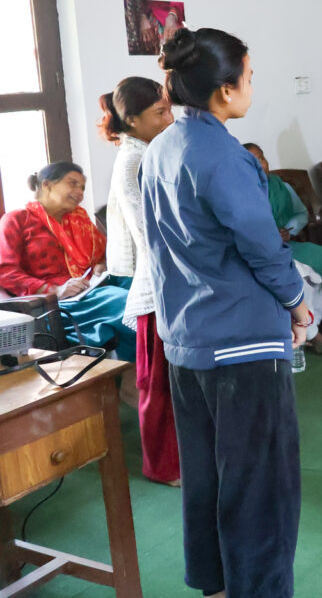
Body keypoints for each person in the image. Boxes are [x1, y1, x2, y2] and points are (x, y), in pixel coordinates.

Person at [141, 27, 310, 598]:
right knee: (261, 486)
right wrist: (294, 299)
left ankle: (215, 584)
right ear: (223, 90)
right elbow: (262, 244)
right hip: (243, 345)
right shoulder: (223, 156)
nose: (252, 85)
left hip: (187, 342)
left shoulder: (161, 147)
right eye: (250, 76)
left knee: (209, 476)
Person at [99, 76, 179, 485]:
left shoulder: (152, 149)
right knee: (157, 383)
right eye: (159, 113)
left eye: (169, 109)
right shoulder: (132, 162)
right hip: (156, 284)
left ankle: (179, 457)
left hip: (174, 279)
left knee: (173, 381)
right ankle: (163, 466)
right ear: (130, 120)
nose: (169, 119)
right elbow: (149, 233)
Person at [0, 162, 136, 364]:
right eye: (72, 183)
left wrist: (100, 265)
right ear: (47, 185)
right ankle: (139, 377)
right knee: (130, 304)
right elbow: (6, 272)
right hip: (55, 303)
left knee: (142, 287)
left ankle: (138, 373)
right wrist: (56, 289)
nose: (79, 192)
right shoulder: (17, 220)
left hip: (89, 289)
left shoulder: (79, 219)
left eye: (82, 187)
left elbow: (101, 255)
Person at [244, 143, 322, 355]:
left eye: (262, 158)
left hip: (286, 244)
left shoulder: (280, 186)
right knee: (297, 277)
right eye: (253, 162)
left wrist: (289, 230)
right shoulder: (242, 194)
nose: (260, 164)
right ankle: (312, 333)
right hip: (262, 253)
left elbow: (301, 214)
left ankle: (311, 325)